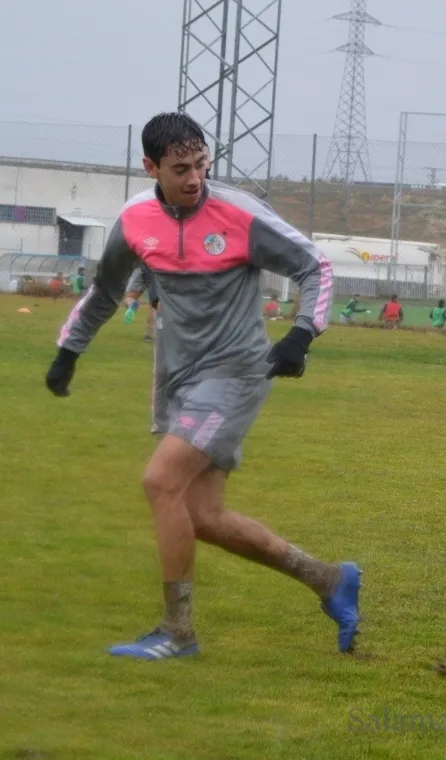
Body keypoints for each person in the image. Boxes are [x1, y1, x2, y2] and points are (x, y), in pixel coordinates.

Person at [44, 112, 360, 661]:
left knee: (160, 481)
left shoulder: (237, 213)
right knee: (202, 516)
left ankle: (177, 632)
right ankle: (329, 579)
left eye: (201, 165)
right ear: (151, 168)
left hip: (236, 373)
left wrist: (301, 334)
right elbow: (104, 291)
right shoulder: (135, 220)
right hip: (178, 379)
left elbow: (316, 267)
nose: (194, 178)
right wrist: (69, 350)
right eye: (180, 168)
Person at [123, 264, 161, 342]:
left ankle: (132, 303)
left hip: (141, 267)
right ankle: (149, 335)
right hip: (156, 270)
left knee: (128, 298)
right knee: (154, 304)